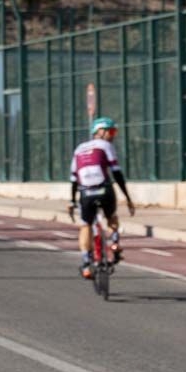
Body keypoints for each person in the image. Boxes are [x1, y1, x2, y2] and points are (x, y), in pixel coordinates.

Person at [68, 116, 135, 279]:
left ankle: (85, 263)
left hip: (85, 192)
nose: (113, 135)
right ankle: (114, 243)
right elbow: (117, 173)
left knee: (85, 226)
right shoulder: (106, 146)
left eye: (114, 132)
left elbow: (74, 179)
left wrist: (71, 200)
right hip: (104, 189)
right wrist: (127, 198)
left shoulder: (79, 149)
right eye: (110, 131)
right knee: (111, 217)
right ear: (100, 132)